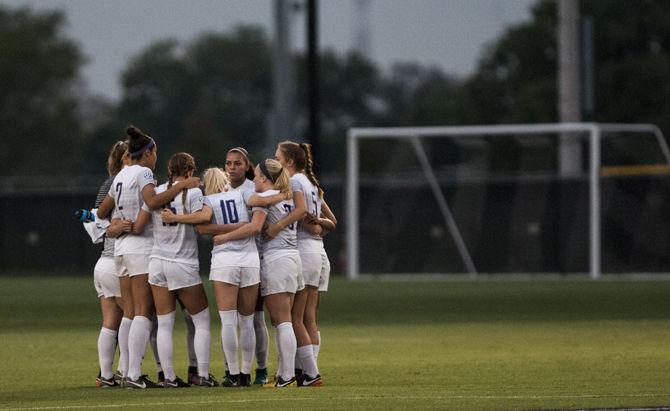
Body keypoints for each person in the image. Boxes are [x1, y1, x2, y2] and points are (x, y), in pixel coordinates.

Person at [98, 125, 200, 389]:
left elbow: (101, 212)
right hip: (141, 248)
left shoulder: (120, 175)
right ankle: (133, 375)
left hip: (120, 249)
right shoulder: (144, 172)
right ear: (149, 151)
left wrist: (119, 221)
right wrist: (182, 186)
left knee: (130, 312)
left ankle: (122, 371)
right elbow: (152, 201)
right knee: (143, 311)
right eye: (155, 152)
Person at [131, 152, 217, 388]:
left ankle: (168, 377)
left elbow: (140, 222)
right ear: (190, 171)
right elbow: (201, 219)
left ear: (170, 170)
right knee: (201, 320)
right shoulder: (194, 191)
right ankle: (203, 374)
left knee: (165, 322)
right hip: (183, 263)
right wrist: (180, 217)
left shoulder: (157, 192)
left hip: (157, 262)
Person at [219, 159, 301, 388]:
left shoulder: (264, 199)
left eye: (255, 175)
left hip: (276, 260)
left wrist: (224, 236)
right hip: (293, 258)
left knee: (281, 321)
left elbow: (255, 226)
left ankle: (287, 376)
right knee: (283, 321)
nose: (253, 179)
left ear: (265, 178)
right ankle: (285, 373)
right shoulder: (286, 196)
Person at [274, 141, 336, 387]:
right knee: (308, 318)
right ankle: (306, 371)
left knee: (295, 318)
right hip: (317, 252)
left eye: (278, 158)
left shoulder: (296, 182)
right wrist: (320, 225)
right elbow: (331, 222)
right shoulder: (311, 183)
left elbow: (306, 221)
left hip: (303, 251)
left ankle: (308, 372)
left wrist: (313, 225)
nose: (275, 162)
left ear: (289, 161)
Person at [224, 147, 270, 385]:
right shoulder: (220, 189)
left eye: (237, 163)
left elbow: (257, 226)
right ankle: (231, 370)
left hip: (256, 257)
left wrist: (224, 234)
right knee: (229, 318)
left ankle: (260, 369)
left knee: (255, 317)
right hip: (228, 260)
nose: (232, 167)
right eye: (229, 163)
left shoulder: (254, 189)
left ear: (246, 165)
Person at [91, 140, 129, 387]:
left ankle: (105, 376)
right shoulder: (123, 184)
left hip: (103, 261)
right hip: (119, 261)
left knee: (110, 322)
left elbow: (96, 223)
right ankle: (127, 372)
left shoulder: (108, 184)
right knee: (134, 317)